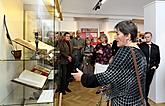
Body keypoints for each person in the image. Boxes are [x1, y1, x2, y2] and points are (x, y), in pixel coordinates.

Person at [71, 20, 147, 105]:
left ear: (128, 36)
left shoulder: (125, 51)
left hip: (123, 100)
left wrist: (83, 78)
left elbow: (107, 76)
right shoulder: (140, 52)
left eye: (118, 34)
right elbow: (125, 77)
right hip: (135, 100)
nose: (115, 37)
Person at [138, 32, 160, 106]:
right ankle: (141, 101)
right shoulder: (141, 46)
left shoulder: (156, 47)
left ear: (151, 37)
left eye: (148, 37)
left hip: (151, 70)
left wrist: (155, 66)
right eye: (145, 37)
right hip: (142, 69)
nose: (146, 38)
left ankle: (145, 101)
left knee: (147, 85)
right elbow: (138, 58)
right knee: (141, 85)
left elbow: (158, 59)